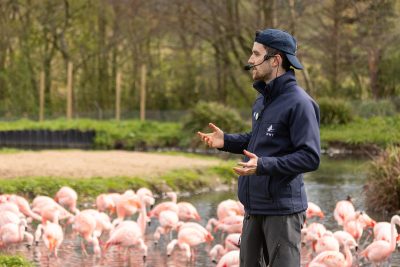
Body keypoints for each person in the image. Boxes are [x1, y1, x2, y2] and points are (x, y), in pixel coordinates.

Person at [197, 28, 320, 267]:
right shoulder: (262, 100)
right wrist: (227, 141)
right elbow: (260, 140)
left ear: (275, 60)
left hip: (282, 211)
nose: (250, 60)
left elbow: (310, 157)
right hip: (254, 207)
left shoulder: (300, 103)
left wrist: (263, 165)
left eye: (255, 54)